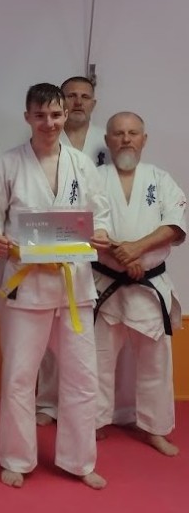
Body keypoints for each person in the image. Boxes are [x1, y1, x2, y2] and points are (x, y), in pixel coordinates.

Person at [0, 83, 110, 490]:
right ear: (27, 118)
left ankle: (79, 460)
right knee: (19, 377)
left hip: (74, 286)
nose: (49, 123)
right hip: (27, 286)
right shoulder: (8, 164)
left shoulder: (82, 165)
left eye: (55, 115)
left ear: (64, 115)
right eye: (40, 116)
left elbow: (101, 215)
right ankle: (17, 457)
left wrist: (102, 233)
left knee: (82, 377)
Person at [36, 75, 133, 427]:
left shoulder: (107, 142)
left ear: (94, 102)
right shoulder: (44, 138)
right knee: (51, 332)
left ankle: (95, 409)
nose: (78, 101)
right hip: (54, 249)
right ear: (61, 103)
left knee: (91, 339)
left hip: (99, 249)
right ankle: (48, 402)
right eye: (71, 96)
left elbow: (113, 198)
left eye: (85, 96)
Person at [93, 112, 185, 456]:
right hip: (106, 282)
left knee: (155, 363)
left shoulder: (160, 179)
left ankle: (155, 428)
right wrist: (121, 255)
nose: (126, 139)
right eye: (118, 133)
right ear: (107, 140)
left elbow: (174, 225)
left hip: (149, 285)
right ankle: (95, 420)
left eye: (133, 133)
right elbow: (84, 223)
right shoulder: (93, 178)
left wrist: (136, 249)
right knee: (98, 358)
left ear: (144, 139)